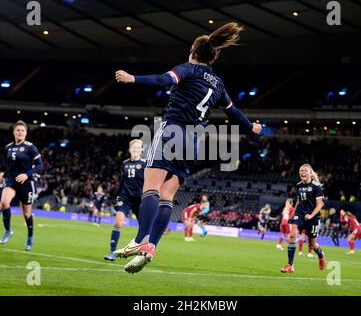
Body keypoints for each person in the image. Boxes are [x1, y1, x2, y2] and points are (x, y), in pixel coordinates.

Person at [114, 22, 262, 274]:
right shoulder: (218, 83)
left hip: (172, 130)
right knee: (167, 196)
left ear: (194, 52)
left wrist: (132, 78)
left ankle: (139, 239)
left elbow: (164, 79)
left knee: (150, 188)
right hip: (193, 141)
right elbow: (233, 112)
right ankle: (151, 247)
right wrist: (251, 128)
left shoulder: (188, 69)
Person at [0, 120, 43, 251]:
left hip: (26, 182)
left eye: (22, 130)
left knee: (27, 214)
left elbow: (40, 164)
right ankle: (8, 230)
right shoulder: (7, 147)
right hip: (11, 180)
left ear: (26, 133)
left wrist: (26, 174)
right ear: (14, 132)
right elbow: (7, 165)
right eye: (18, 130)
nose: (20, 132)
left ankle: (30, 237)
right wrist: (3, 174)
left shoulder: (30, 147)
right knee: (4, 202)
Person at [105, 139, 145, 261]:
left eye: (139, 147)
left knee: (144, 227)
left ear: (142, 150)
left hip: (140, 199)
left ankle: (142, 252)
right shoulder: (124, 164)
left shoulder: (145, 164)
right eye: (134, 147)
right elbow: (122, 182)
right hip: (125, 197)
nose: (136, 149)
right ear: (130, 149)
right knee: (118, 223)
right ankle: (112, 252)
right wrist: (118, 195)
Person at [281, 164, 325, 273]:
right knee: (292, 235)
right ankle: (290, 265)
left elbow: (320, 204)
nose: (303, 172)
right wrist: (293, 213)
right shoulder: (299, 185)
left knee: (312, 245)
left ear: (310, 173)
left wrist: (311, 215)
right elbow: (298, 201)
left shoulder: (316, 187)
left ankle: (321, 254)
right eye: (301, 171)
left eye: (305, 171)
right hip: (300, 214)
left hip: (313, 218)